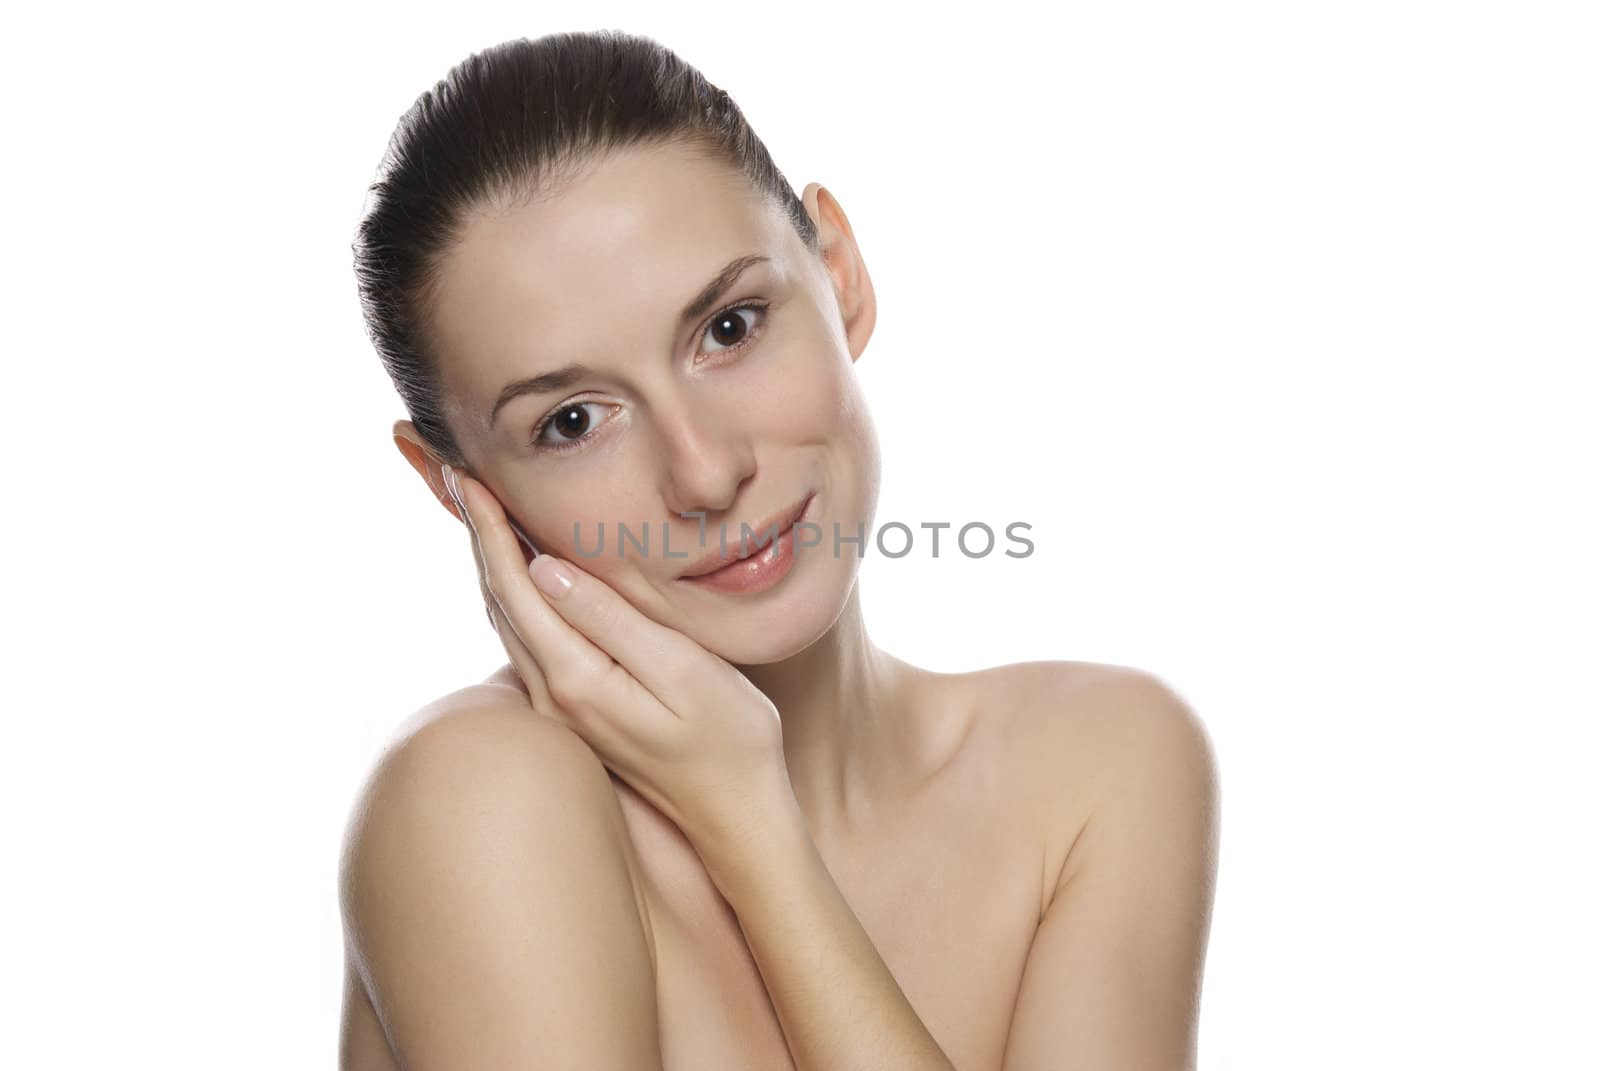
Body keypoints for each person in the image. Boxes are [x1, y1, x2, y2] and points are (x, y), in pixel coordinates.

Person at [339, 29, 1219, 1071]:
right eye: (573, 420)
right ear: (457, 486)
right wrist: (743, 814)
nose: (705, 475)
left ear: (839, 275)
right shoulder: (481, 802)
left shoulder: (1100, 763)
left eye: (729, 326)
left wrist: (754, 830)